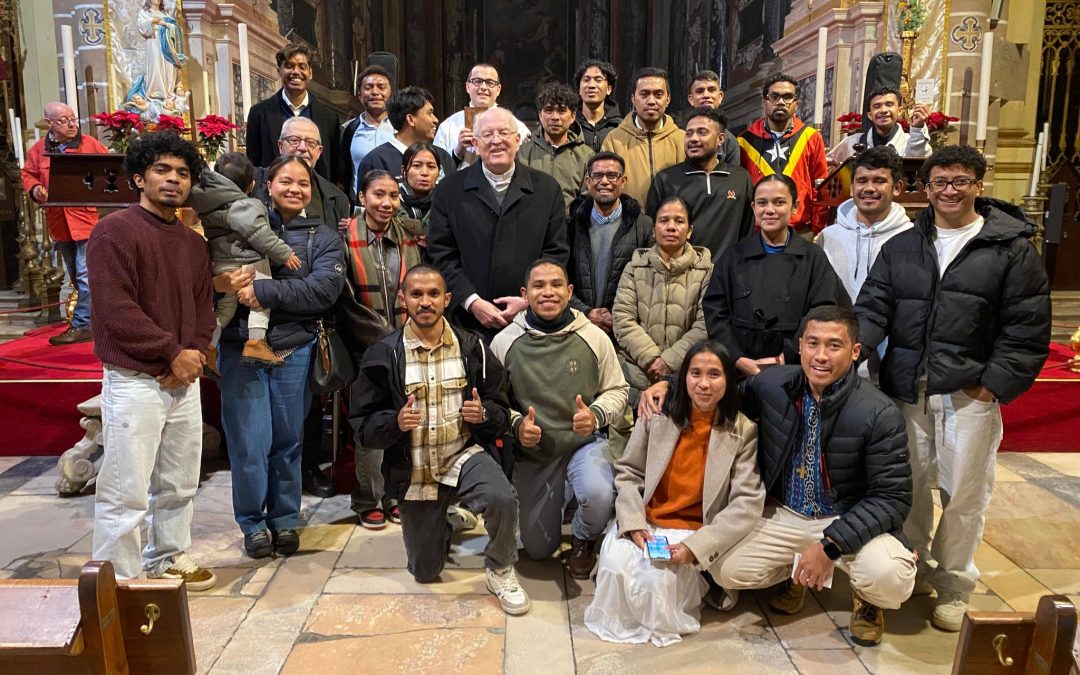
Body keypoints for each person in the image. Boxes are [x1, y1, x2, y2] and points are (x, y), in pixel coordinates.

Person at [854, 145, 1051, 632]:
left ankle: (956, 583)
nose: (948, 191)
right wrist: (854, 347)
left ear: (978, 186)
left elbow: (1025, 328)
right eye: (939, 182)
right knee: (912, 487)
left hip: (969, 391)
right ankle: (914, 565)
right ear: (926, 187)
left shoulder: (1008, 248)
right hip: (908, 389)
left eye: (960, 181)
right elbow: (875, 304)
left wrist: (991, 386)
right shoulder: (902, 245)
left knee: (964, 494)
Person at [640, 306, 918, 647]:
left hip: (845, 514)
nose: (820, 356)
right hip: (786, 511)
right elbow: (718, 386)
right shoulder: (773, 385)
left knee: (891, 577)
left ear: (855, 351)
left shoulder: (880, 412)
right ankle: (799, 573)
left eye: (834, 346)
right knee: (723, 569)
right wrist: (669, 385)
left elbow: (892, 498)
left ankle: (868, 601)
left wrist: (830, 546)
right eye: (813, 343)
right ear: (799, 346)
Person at [350, 265, 530, 615]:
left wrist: (485, 415)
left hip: (463, 453)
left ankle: (500, 567)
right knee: (425, 571)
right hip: (415, 468)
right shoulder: (383, 354)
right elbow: (363, 426)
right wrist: (395, 423)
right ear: (403, 299)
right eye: (416, 294)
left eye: (434, 294)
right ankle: (445, 517)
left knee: (501, 497)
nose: (425, 302)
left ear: (447, 299)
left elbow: (499, 405)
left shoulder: (473, 346)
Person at [87, 132, 218, 588]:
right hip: (135, 377)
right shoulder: (114, 231)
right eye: (162, 170)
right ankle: (118, 583)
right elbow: (114, 309)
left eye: (183, 173)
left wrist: (195, 353)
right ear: (139, 177)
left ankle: (168, 555)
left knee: (180, 480)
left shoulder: (193, 242)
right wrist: (171, 352)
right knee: (125, 490)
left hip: (183, 376)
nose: (173, 180)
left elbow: (204, 307)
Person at [584, 341, 763, 646]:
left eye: (714, 375)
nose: (704, 384)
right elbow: (629, 472)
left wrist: (696, 547)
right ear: (683, 378)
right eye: (695, 373)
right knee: (614, 570)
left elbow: (746, 502)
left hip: (693, 529)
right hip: (646, 519)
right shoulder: (658, 414)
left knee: (655, 582)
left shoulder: (742, 430)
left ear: (728, 381)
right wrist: (633, 524)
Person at [217, 154, 346, 558]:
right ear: (265, 185)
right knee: (250, 443)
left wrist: (264, 292)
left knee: (288, 440)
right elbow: (216, 277)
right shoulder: (240, 227)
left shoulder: (322, 237)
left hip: (294, 346)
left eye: (303, 183)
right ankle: (253, 522)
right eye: (285, 181)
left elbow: (323, 292)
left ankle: (286, 519)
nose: (294, 189)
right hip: (241, 349)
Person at [489, 260, 629, 579]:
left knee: (599, 495)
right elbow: (493, 403)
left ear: (569, 292)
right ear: (525, 294)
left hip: (583, 444)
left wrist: (594, 415)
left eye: (556, 285)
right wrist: (516, 425)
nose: (548, 292)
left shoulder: (593, 337)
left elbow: (618, 390)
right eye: (539, 286)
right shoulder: (504, 342)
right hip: (535, 454)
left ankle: (582, 535)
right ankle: (562, 495)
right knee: (538, 550)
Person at [427, 107, 568, 336]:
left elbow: (556, 252)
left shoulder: (546, 189)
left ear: (518, 139)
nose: (496, 141)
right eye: (487, 134)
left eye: (504, 133)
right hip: (469, 322)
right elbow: (441, 254)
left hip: (533, 320)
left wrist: (528, 300)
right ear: (475, 142)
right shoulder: (449, 190)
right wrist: (471, 301)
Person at [339, 170, 425, 529]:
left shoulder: (409, 236)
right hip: (366, 346)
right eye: (378, 194)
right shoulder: (344, 238)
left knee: (405, 420)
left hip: (408, 341)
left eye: (393, 195)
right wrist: (383, 339)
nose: (386, 203)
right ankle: (367, 497)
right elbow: (344, 297)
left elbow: (419, 286)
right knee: (373, 423)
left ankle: (396, 493)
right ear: (362, 197)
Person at [704, 174, 847, 378]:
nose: (769, 210)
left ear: (795, 206)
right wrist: (736, 357)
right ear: (753, 208)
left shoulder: (813, 257)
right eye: (762, 203)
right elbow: (715, 310)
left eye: (779, 202)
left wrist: (785, 356)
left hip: (795, 369)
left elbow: (822, 312)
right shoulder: (733, 256)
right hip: (738, 371)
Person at [187, 152, 302, 373]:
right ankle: (256, 342)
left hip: (221, 264)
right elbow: (257, 232)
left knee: (225, 309)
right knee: (261, 300)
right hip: (248, 263)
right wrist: (284, 253)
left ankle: (209, 347)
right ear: (251, 185)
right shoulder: (245, 204)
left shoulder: (206, 201)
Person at [21, 101, 109, 345]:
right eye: (63, 121)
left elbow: (112, 170)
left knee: (86, 274)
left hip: (86, 219)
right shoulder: (39, 149)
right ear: (49, 123)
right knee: (76, 275)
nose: (71, 125)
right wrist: (36, 187)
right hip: (59, 222)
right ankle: (95, 321)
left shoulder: (90, 144)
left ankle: (81, 325)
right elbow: (28, 174)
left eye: (73, 119)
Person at [612, 197, 712, 402]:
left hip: (686, 371)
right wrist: (652, 359)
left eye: (679, 221)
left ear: (690, 230)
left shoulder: (706, 271)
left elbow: (705, 325)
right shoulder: (635, 267)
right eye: (664, 220)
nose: (671, 227)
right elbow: (623, 318)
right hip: (635, 369)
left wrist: (670, 361)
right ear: (653, 228)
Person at [646, 107, 754, 261]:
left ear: (720, 139)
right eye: (689, 133)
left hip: (727, 276)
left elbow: (747, 232)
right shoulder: (666, 179)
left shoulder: (740, 178)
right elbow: (653, 234)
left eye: (702, 132)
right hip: (680, 276)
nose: (693, 139)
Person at [567, 151, 654, 334]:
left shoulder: (644, 226)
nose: (604, 181)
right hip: (580, 326)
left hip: (628, 328)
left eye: (612, 175)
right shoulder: (572, 225)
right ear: (587, 181)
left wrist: (622, 317)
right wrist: (586, 312)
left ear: (623, 181)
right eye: (597, 175)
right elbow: (563, 278)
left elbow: (649, 283)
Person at [738, 74, 828, 233]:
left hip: (800, 229)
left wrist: (817, 229)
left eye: (787, 97)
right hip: (757, 230)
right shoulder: (744, 142)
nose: (780, 102)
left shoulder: (811, 138)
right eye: (774, 96)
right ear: (764, 102)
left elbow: (819, 187)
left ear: (797, 104)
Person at [246, 44, 341, 183]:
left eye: (302, 67)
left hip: (316, 196)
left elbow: (334, 166)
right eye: (289, 66)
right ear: (279, 71)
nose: (296, 72)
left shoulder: (328, 117)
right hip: (272, 194)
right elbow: (254, 162)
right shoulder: (259, 113)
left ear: (310, 73)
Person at [254, 116, 352, 237]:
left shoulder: (337, 198)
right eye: (294, 140)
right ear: (280, 146)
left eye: (310, 143)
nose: (302, 148)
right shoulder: (253, 181)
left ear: (319, 151)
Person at [601, 67, 685, 205]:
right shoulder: (614, 140)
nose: (651, 101)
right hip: (628, 223)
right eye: (644, 94)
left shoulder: (682, 139)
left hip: (671, 223)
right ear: (633, 99)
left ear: (668, 99)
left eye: (658, 94)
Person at [354, 86, 454, 191]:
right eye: (429, 113)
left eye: (431, 166)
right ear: (410, 119)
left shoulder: (443, 157)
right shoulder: (375, 160)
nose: (435, 120)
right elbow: (363, 205)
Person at [433, 63, 531, 167]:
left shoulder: (517, 126)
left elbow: (525, 164)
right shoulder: (448, 126)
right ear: (467, 87)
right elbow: (437, 171)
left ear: (498, 90)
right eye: (477, 81)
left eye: (490, 83)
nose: (483, 87)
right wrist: (458, 151)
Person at [516, 82, 592, 215]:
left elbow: (588, 199)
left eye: (562, 111)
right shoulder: (523, 152)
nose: (555, 117)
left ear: (573, 116)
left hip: (570, 229)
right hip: (532, 227)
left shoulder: (586, 155)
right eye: (549, 110)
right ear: (540, 115)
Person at [827, 87, 931, 168]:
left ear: (899, 111)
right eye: (877, 106)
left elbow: (920, 165)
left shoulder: (911, 142)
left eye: (889, 104)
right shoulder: (852, 142)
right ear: (869, 115)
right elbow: (827, 164)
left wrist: (918, 128)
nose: (883, 110)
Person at [340, 65, 396, 199]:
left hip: (398, 205)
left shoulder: (402, 127)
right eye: (368, 87)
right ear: (359, 95)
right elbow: (342, 175)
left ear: (391, 95)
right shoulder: (347, 130)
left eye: (381, 87)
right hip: (360, 206)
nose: (375, 92)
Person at [674, 71, 739, 166]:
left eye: (711, 90)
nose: (706, 95)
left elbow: (733, 176)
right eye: (700, 91)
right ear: (691, 99)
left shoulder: (730, 141)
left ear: (720, 96)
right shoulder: (678, 136)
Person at [135, 0, 186, 107]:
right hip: (154, 43)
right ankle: (155, 94)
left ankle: (168, 96)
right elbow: (142, 27)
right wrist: (151, 20)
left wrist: (164, 24)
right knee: (155, 67)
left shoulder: (165, 15)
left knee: (168, 69)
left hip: (167, 47)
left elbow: (175, 29)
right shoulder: (144, 13)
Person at [574, 59, 621, 152]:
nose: (591, 85)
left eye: (598, 80)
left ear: (609, 89)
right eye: (586, 80)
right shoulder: (569, 125)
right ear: (579, 89)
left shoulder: (621, 127)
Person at [398, 142, 443, 225]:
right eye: (417, 165)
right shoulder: (393, 202)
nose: (424, 172)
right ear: (403, 171)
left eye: (431, 166)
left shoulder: (446, 202)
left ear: (439, 172)